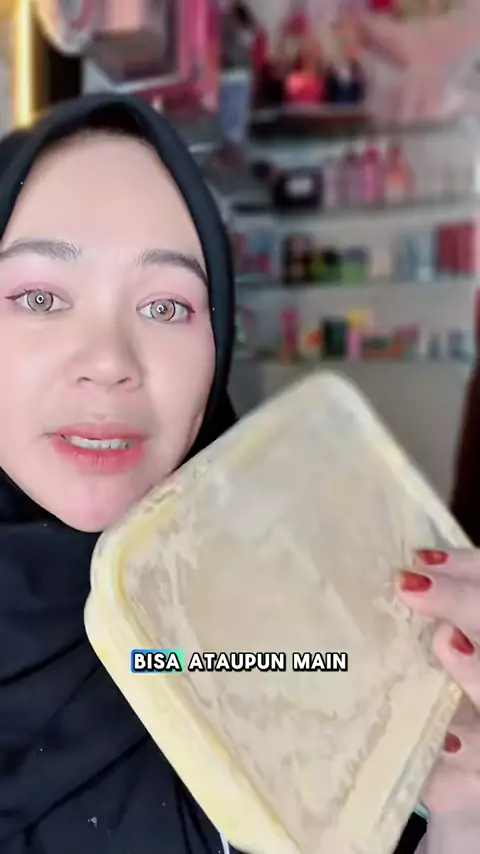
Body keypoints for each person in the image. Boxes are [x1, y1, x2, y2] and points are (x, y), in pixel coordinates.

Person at [0, 93, 478, 854]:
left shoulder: (302, 602)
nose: (109, 362)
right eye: (39, 296)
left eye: (166, 307)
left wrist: (462, 813)